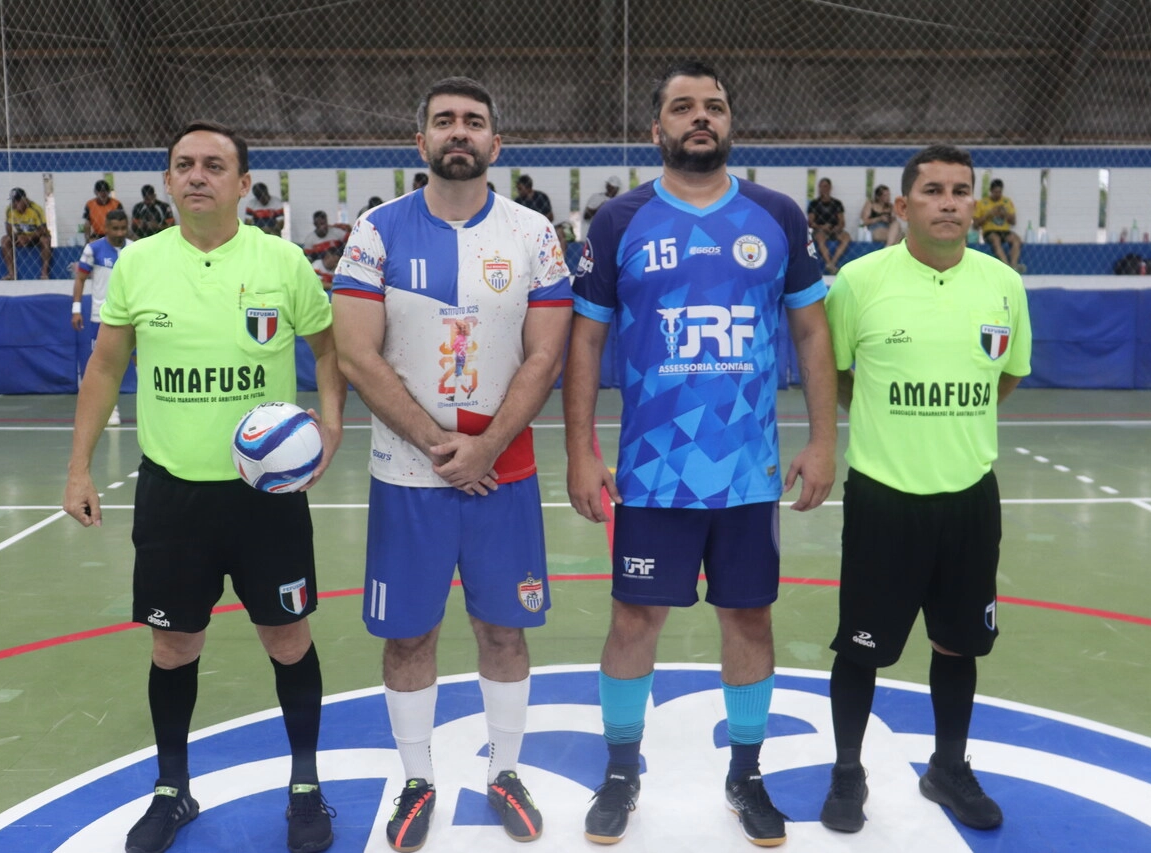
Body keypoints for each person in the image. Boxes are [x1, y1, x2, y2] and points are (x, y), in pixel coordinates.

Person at [564, 60, 837, 848]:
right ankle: (622, 771)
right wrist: (581, 451)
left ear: (730, 123)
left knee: (749, 615)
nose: (699, 118)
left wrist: (823, 441)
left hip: (747, 470)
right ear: (657, 129)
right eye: (682, 107)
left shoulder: (777, 215)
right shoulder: (619, 221)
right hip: (652, 472)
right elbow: (586, 341)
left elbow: (812, 331)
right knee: (634, 617)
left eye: (713, 106)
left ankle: (745, 777)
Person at [61, 120, 346, 853]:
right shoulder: (136, 264)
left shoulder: (282, 263)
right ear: (168, 179)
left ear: (243, 184)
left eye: (214, 165)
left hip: (266, 497)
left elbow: (327, 345)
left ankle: (306, 783)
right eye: (183, 164)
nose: (196, 176)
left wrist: (333, 423)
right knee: (172, 646)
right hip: (173, 492)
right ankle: (171, 787)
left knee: (287, 637)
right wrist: (78, 466)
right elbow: (104, 367)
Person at [330, 76, 572, 852]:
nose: (458, 132)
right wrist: (444, 449)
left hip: (506, 472)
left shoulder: (534, 234)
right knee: (409, 635)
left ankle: (506, 771)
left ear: (496, 145)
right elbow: (356, 355)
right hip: (411, 476)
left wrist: (487, 448)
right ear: (422, 140)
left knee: (504, 629)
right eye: (444, 121)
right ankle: (416, 781)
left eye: (473, 122)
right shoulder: (376, 232)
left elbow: (546, 354)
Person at [818, 144, 1031, 836]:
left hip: (970, 497)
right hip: (885, 497)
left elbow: (1006, 377)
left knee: (958, 643)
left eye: (961, 191)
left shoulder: (1004, 285)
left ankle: (948, 767)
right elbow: (838, 376)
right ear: (902, 206)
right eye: (933, 190)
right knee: (861, 645)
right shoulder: (858, 281)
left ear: (976, 204)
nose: (949, 201)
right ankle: (847, 772)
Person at [71, 207, 132, 426]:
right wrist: (76, 310)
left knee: (142, 363)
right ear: (106, 228)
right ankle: (110, 410)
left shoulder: (135, 249)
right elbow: (80, 279)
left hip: (133, 317)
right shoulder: (93, 250)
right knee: (107, 365)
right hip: (102, 317)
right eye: (115, 228)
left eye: (123, 228)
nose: (119, 233)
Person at [0, 187, 52, 280]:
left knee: (46, 240)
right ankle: (11, 274)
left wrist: (28, 238)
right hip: (20, 237)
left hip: (35, 237)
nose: (15, 204)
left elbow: (43, 230)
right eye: (13, 201)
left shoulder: (36, 209)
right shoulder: (10, 210)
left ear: (25, 199)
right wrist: (15, 237)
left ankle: (44, 273)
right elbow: (8, 229)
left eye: (18, 201)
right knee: (4, 240)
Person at [973, 178, 1024, 272]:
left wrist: (1005, 214)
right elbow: (975, 225)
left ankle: (1013, 266)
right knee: (996, 239)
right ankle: (1007, 267)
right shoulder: (982, 203)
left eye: (1000, 192)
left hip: (1004, 231)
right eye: (995, 192)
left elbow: (1013, 222)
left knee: (1017, 240)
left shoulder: (1007, 202)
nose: (998, 195)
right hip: (990, 231)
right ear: (991, 191)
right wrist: (989, 214)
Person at [808, 177, 852, 274]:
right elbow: (811, 222)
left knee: (846, 236)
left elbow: (842, 221)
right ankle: (828, 262)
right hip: (820, 230)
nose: (825, 188)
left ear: (830, 188)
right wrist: (822, 227)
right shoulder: (814, 203)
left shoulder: (837, 203)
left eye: (827, 186)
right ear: (819, 188)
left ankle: (833, 262)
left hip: (835, 230)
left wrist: (838, 228)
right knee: (820, 237)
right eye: (822, 186)